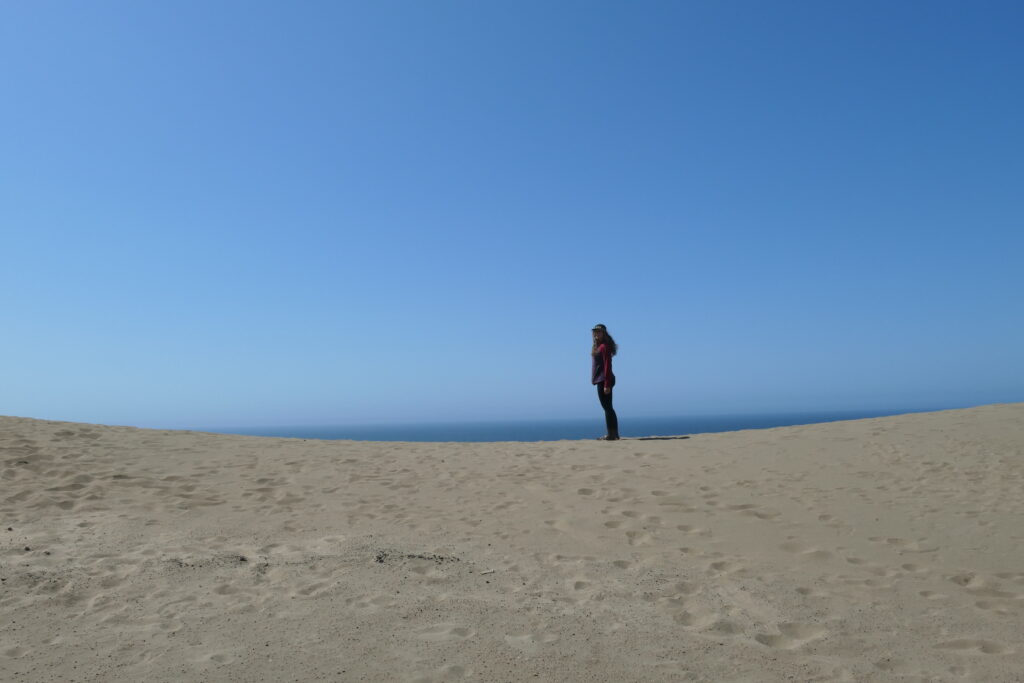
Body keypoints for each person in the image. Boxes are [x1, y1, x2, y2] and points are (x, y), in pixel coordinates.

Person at [591, 324, 619, 440]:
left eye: (599, 332)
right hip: (601, 380)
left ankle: (611, 435)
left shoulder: (604, 347)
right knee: (608, 407)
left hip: (604, 380)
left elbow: (608, 366)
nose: (596, 334)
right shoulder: (598, 347)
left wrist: (607, 384)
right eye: (595, 332)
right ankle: (613, 434)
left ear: (604, 333)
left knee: (607, 408)